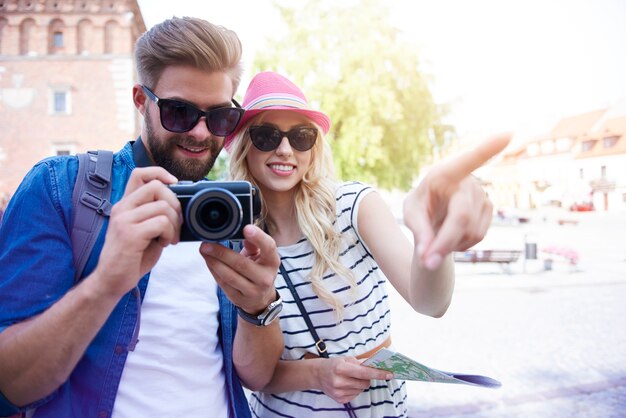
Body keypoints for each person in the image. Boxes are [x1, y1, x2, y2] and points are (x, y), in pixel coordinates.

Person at [0, 18, 284, 418]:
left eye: (220, 117)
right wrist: (106, 283)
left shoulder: (228, 213)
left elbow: (255, 375)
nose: (202, 133)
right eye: (179, 112)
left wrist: (259, 306)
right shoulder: (58, 189)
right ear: (140, 100)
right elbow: (11, 383)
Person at [225, 71, 510, 417]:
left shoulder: (354, 205)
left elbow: (430, 303)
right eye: (266, 135)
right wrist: (319, 373)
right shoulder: (231, 239)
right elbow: (252, 373)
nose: (285, 149)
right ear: (244, 145)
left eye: (300, 136)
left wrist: (434, 241)